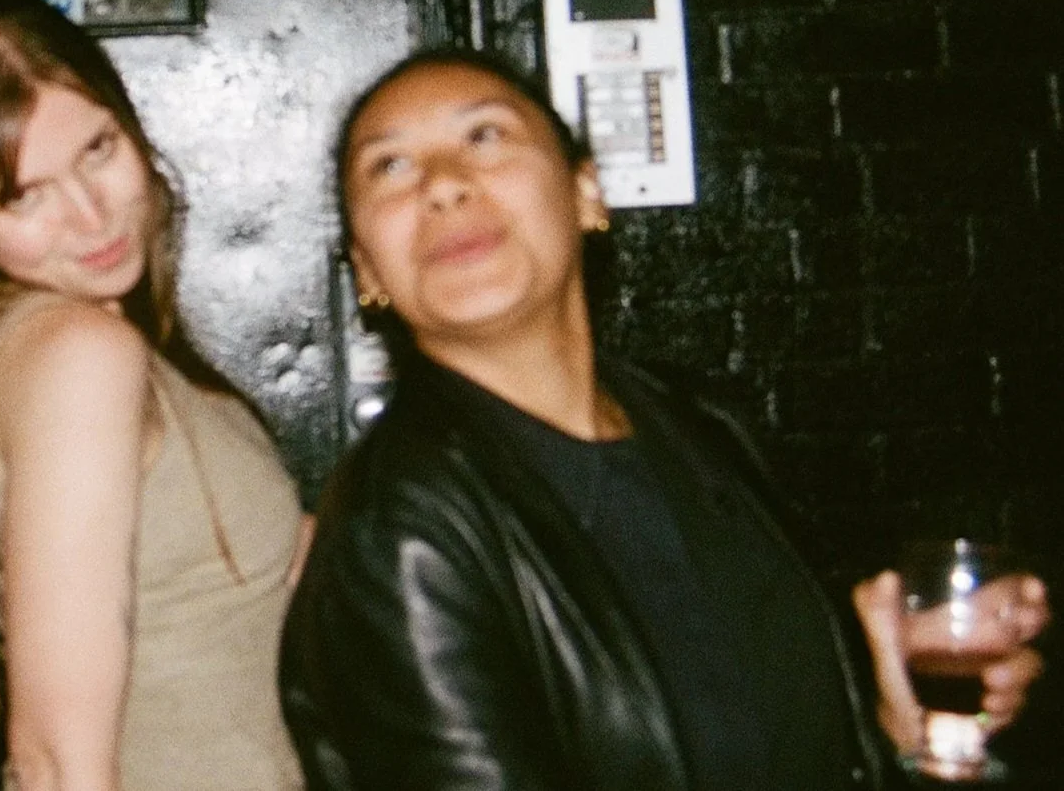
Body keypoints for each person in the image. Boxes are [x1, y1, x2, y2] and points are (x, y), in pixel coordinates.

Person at [281, 45, 1049, 791]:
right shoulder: (399, 528)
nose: (444, 185)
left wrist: (885, 683)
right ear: (369, 272)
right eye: (390, 166)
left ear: (586, 193)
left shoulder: (697, 422)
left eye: (485, 136)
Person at [0, 0, 309, 791]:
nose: (90, 215)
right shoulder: (78, 354)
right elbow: (53, 763)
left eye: (97, 150)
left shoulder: (30, 347)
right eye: (23, 195)